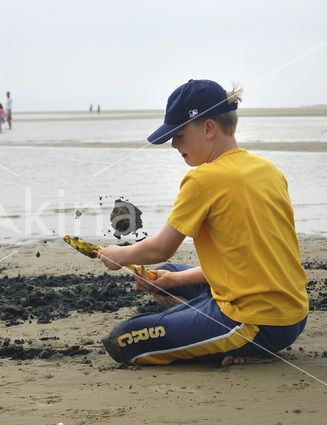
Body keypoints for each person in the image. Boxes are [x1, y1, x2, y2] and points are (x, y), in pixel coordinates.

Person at [98, 79, 308, 367]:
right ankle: (209, 325)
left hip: (256, 322)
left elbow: (160, 249)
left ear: (209, 128)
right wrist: (176, 279)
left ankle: (241, 341)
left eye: (179, 135)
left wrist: (118, 255)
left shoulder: (203, 179)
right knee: (168, 276)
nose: (173, 145)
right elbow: (251, 261)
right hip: (294, 316)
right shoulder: (268, 171)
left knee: (123, 339)